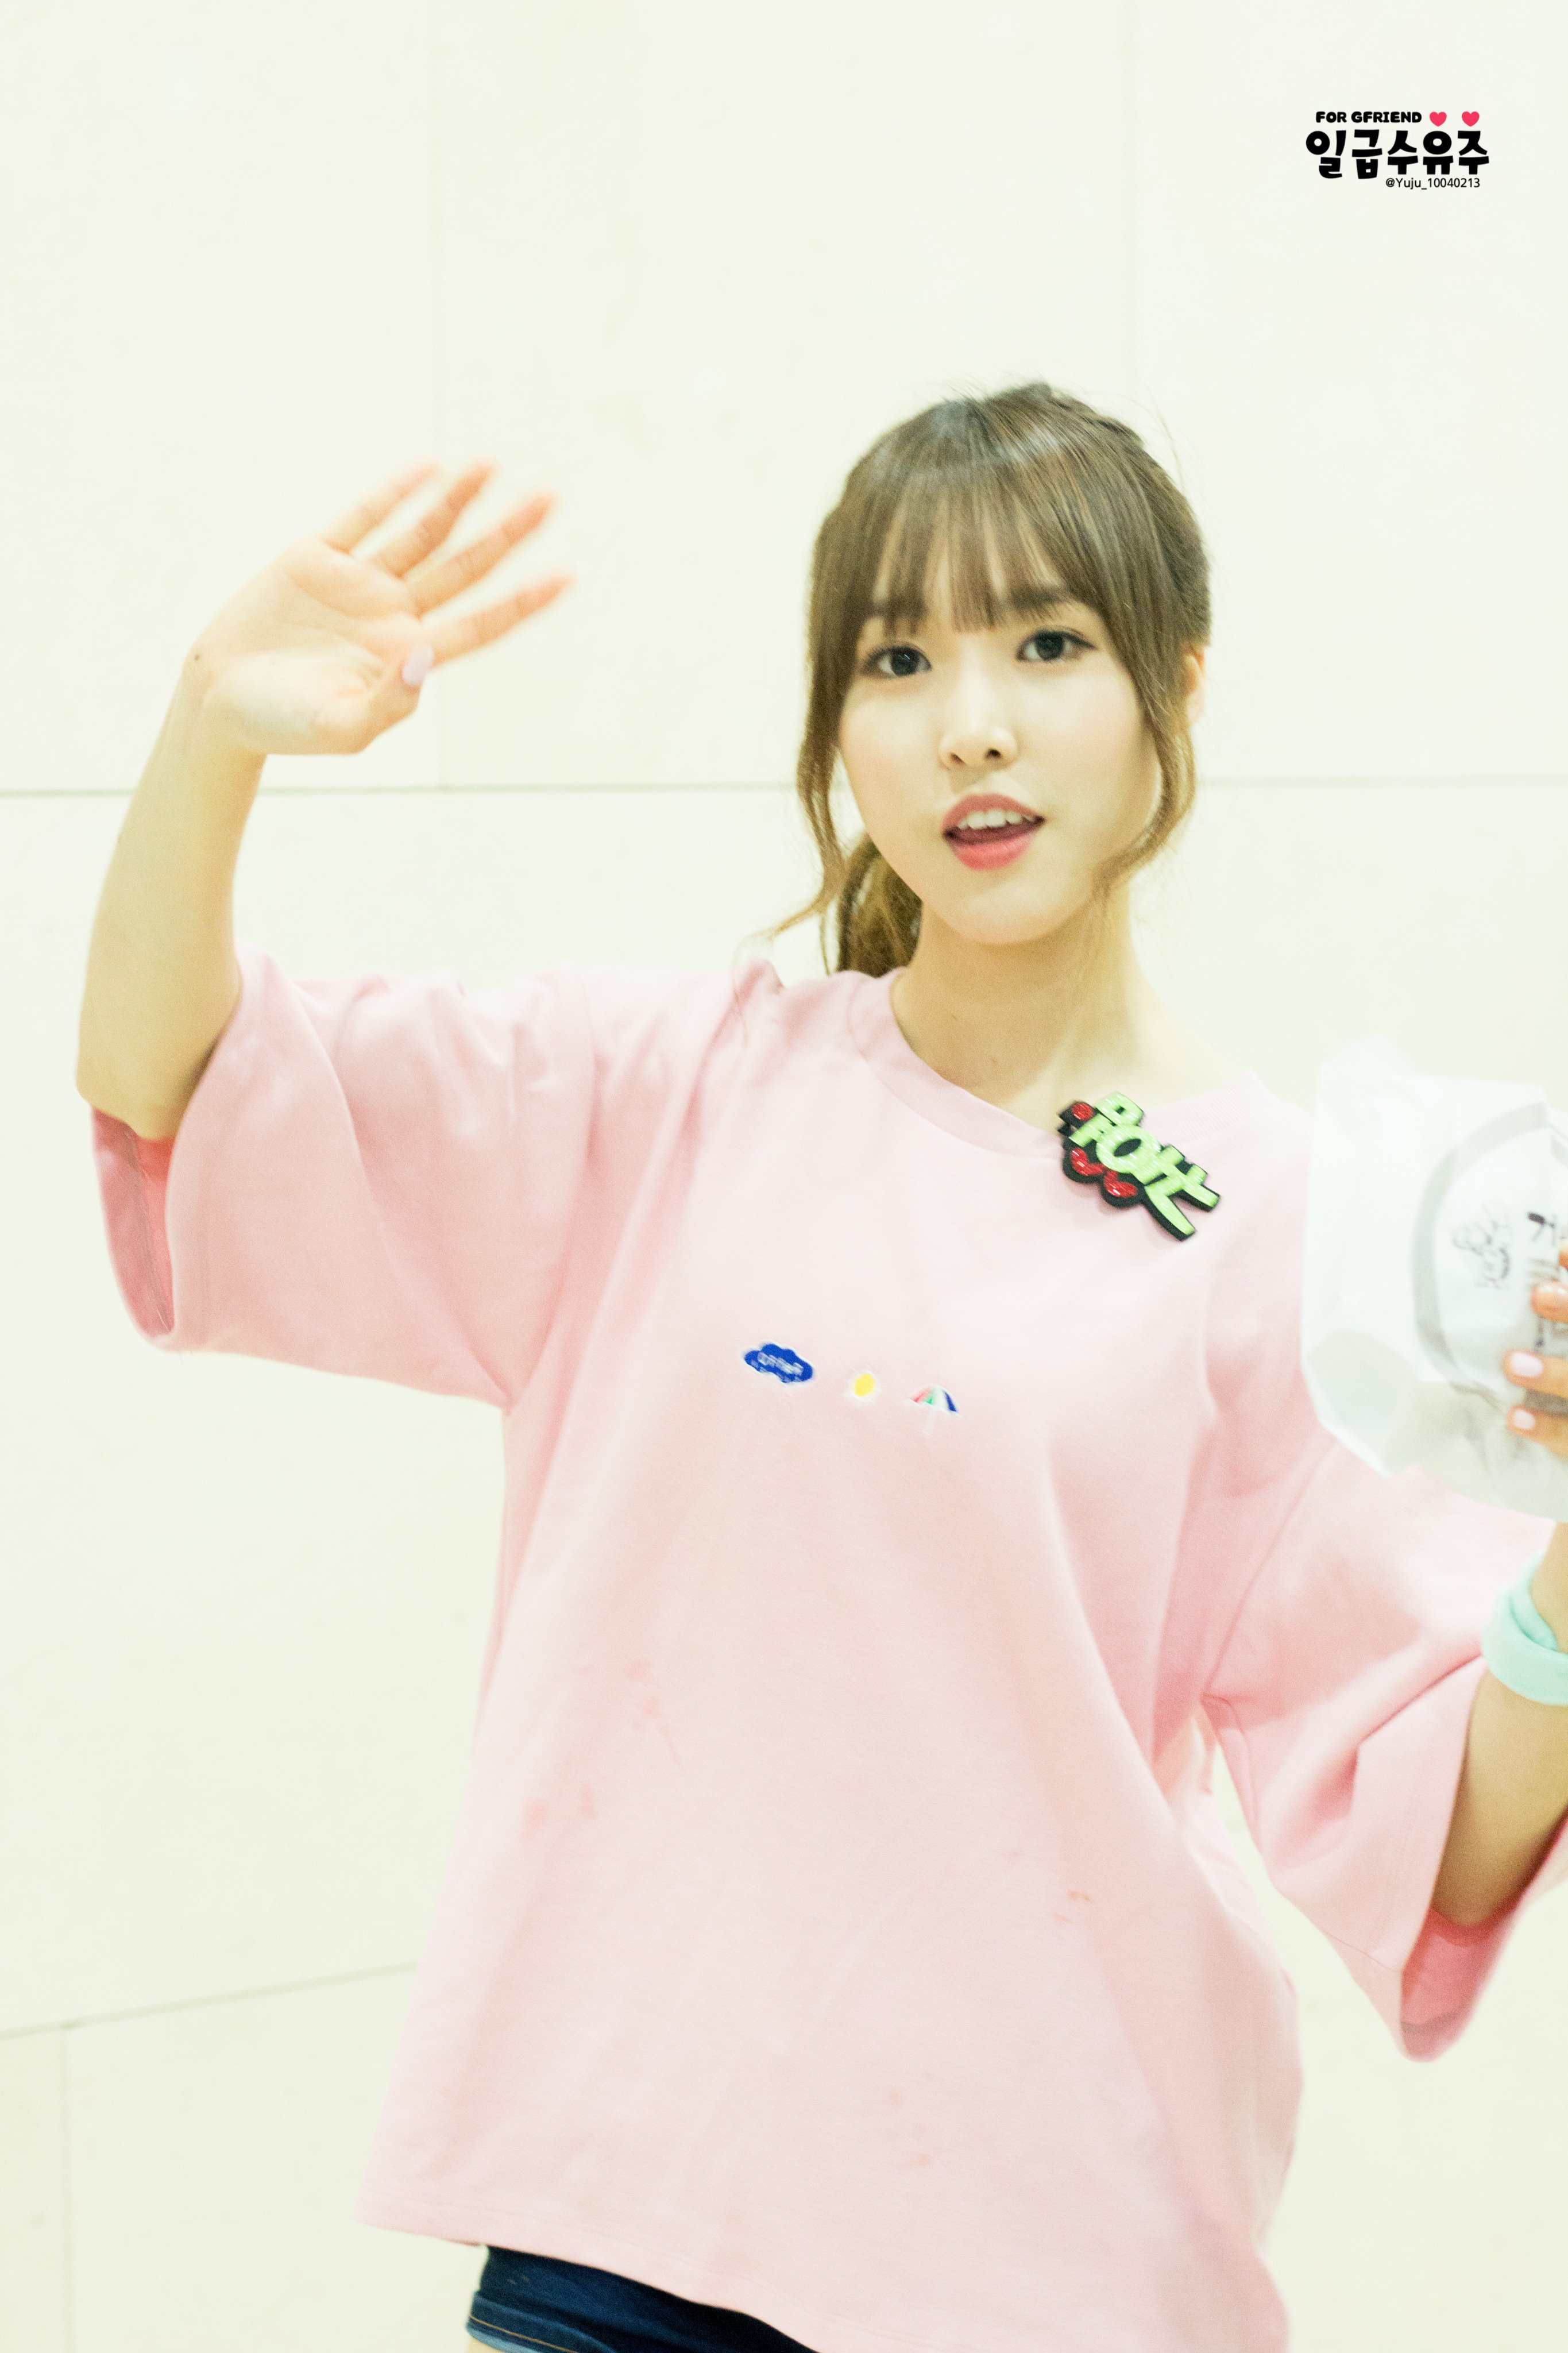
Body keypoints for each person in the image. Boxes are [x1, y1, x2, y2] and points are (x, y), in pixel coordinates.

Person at [76, 383, 1568, 2353]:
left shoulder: (1281, 1229)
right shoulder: (666, 1092)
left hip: (1045, 2262)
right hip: (624, 2224)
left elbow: (1437, 1822)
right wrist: (210, 733)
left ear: (1175, 684)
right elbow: (176, 1093)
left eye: (1049, 644)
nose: (971, 724)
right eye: (897, 659)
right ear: (834, 723)